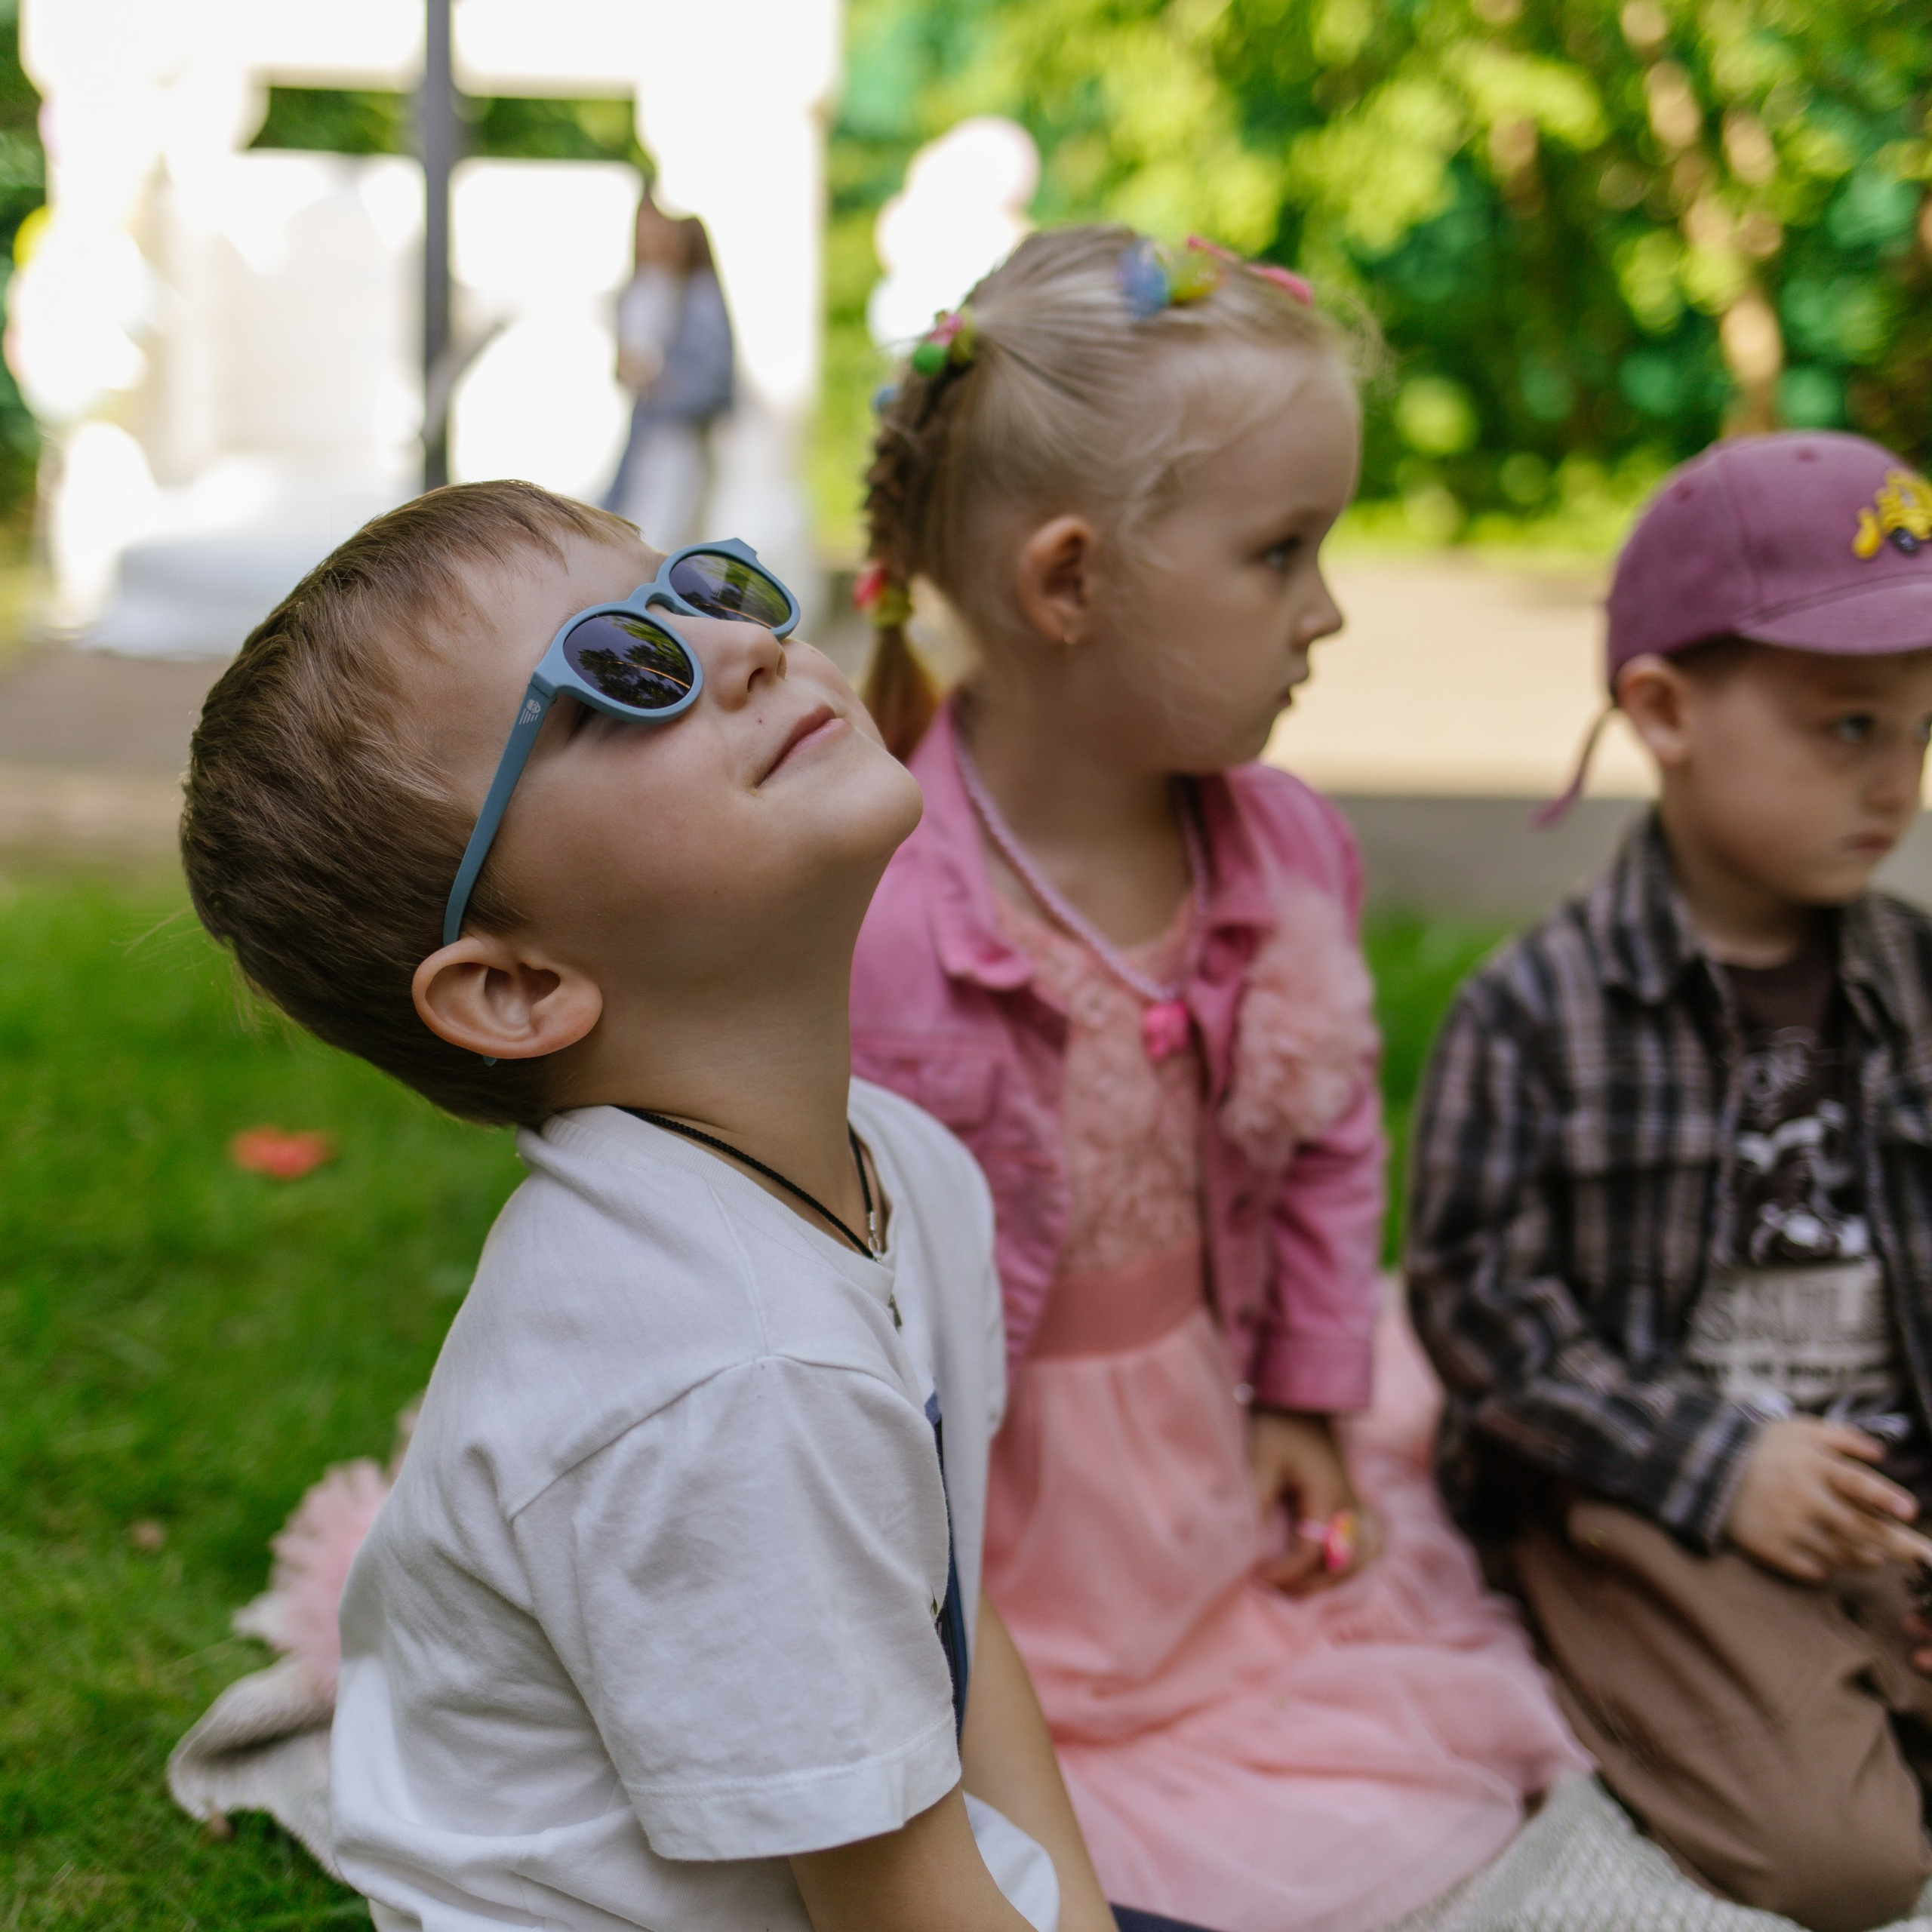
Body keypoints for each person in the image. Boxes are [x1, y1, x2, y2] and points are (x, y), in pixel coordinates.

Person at [175, 481, 1148, 1932]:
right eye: (627, 676)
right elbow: (894, 1906)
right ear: (515, 986)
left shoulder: (904, 1167)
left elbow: (949, 1596)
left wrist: (1082, 1911)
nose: (742, 647)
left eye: (704, 589)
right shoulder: (718, 1371)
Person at [845, 225, 1586, 1932]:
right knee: (1007, 1762)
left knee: (1338, 1704)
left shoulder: (1279, 856)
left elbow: (1326, 1155)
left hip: (1190, 1418)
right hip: (998, 1487)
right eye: (1279, 552)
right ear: (1066, 582)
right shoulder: (882, 916)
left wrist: (1302, 1398)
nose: (1324, 609)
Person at [1406, 432, 1932, 1932]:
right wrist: (1720, 1466)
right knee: (1847, 1859)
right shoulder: (1534, 1009)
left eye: (1912, 732)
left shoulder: (1911, 978)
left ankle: (1859, 1660)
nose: (1892, 780)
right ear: (1660, 708)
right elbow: (1477, 1311)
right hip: (1643, 1487)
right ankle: (1768, 1687)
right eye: (1843, 727)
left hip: (1881, 1482)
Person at [603, 192, 734, 551]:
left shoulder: (698, 297)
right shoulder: (643, 290)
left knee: (665, 540)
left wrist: (660, 383)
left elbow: (712, 379)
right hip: (646, 436)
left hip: (679, 437)